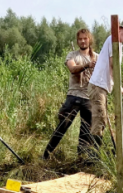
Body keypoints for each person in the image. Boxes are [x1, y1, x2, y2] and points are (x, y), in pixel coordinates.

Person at [43, 29, 98, 159]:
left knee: (86, 131)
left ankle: (81, 159)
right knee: (62, 127)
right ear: (77, 41)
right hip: (73, 97)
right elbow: (73, 69)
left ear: (89, 39)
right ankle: (46, 155)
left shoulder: (98, 57)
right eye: (80, 39)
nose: (83, 41)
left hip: (89, 98)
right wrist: (87, 65)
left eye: (85, 38)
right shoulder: (72, 55)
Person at [86, 19, 123, 152]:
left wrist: (115, 84)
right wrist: (118, 84)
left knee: (101, 120)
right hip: (98, 86)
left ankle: (95, 153)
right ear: (119, 28)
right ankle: (94, 156)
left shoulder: (118, 43)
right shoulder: (114, 40)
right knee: (100, 120)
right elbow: (113, 64)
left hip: (102, 86)